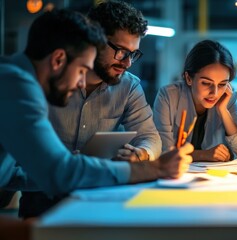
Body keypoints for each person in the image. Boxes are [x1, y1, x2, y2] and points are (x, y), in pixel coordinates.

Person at [0, 9, 192, 201]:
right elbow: (59, 172)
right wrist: (155, 168)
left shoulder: (16, 79)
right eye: (82, 70)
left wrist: (79, 166)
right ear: (58, 59)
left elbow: (12, 176)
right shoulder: (17, 85)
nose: (81, 84)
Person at [19, 0, 162, 218]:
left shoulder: (128, 85)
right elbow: (19, 170)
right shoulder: (33, 85)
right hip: (42, 193)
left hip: (98, 190)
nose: (128, 63)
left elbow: (150, 138)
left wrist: (140, 155)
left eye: (133, 54)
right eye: (121, 51)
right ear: (95, 41)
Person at [153, 40, 237, 162]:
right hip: (174, 175)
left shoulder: (228, 98)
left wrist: (223, 111)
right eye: (206, 83)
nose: (214, 93)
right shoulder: (168, 96)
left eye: (222, 84)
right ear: (189, 78)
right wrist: (203, 155)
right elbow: (163, 152)